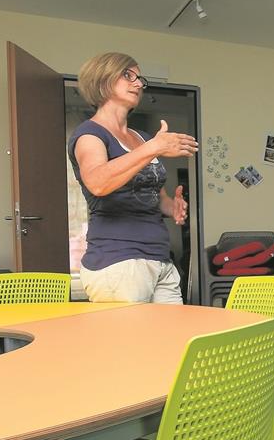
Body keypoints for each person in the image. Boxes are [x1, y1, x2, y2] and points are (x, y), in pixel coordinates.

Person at [68, 52, 199, 304]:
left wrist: (173, 207)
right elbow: (97, 183)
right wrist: (154, 148)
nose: (138, 83)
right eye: (128, 75)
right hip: (119, 261)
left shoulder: (142, 138)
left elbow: (153, 197)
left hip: (160, 259)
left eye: (140, 79)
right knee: (130, 343)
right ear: (102, 79)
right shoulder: (89, 135)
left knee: (171, 341)